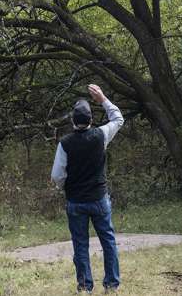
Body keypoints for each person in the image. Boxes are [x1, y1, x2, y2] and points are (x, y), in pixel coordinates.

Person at [51, 84, 125, 292]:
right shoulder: (101, 135)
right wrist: (102, 99)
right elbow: (118, 118)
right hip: (99, 198)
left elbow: (57, 175)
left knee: (80, 244)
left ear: (73, 121)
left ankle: (85, 286)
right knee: (108, 241)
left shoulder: (65, 143)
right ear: (91, 120)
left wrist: (66, 186)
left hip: (76, 201)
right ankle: (111, 284)